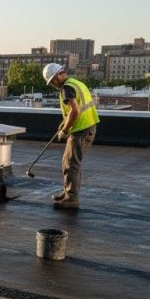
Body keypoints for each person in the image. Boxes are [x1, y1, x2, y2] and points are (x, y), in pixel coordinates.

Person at [42, 63, 100, 209]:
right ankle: (68, 192)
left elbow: (74, 111)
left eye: (54, 80)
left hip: (81, 130)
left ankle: (72, 198)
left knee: (71, 164)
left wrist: (65, 130)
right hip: (87, 127)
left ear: (61, 74)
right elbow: (76, 109)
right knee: (69, 162)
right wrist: (64, 122)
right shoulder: (76, 83)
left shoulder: (67, 88)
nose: (54, 84)